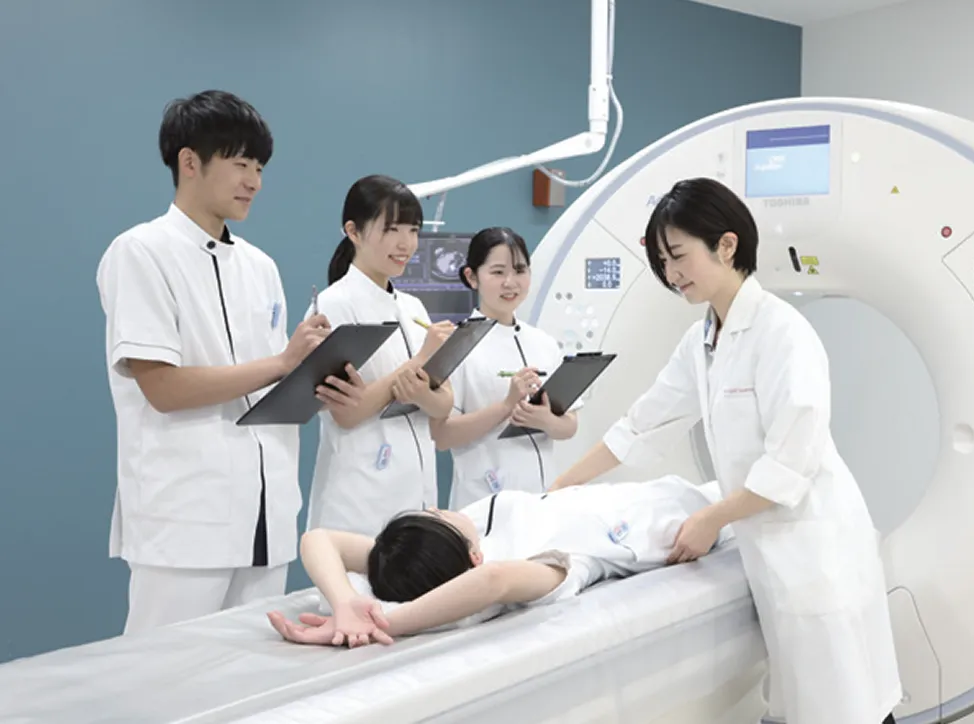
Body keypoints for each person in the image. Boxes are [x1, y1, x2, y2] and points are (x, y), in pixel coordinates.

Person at [547, 178, 902, 724]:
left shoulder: (783, 333)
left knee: (844, 700)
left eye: (678, 255)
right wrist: (559, 489)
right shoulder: (701, 340)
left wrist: (711, 519)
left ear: (727, 245)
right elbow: (642, 424)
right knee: (807, 700)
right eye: (662, 261)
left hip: (815, 544)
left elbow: (791, 461)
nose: (671, 273)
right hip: (768, 546)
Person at [95, 90, 342, 634]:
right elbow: (163, 389)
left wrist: (315, 384)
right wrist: (282, 363)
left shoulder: (260, 266)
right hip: (185, 515)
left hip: (267, 513)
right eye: (240, 163)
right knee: (163, 672)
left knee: (252, 669)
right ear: (190, 162)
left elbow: (267, 384)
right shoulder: (140, 252)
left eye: (260, 167)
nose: (254, 180)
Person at [266, 474, 729, 645]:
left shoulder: (448, 543)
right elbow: (494, 580)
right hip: (714, 513)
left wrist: (346, 603)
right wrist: (385, 622)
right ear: (472, 554)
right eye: (436, 515)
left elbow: (318, 538)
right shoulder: (545, 564)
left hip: (676, 491)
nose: (437, 508)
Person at [306, 175, 457, 537]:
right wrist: (418, 363)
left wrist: (418, 391)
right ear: (353, 232)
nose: (406, 243)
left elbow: (444, 405)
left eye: (413, 230)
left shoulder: (413, 306)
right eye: (391, 229)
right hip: (360, 498)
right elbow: (347, 413)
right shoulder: (334, 304)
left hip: (416, 491)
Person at [429, 227, 579, 509]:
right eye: (498, 272)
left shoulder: (544, 343)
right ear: (472, 277)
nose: (510, 283)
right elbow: (442, 436)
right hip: (484, 501)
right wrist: (506, 406)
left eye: (520, 270)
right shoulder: (456, 345)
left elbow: (569, 426)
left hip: (543, 499)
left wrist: (546, 421)